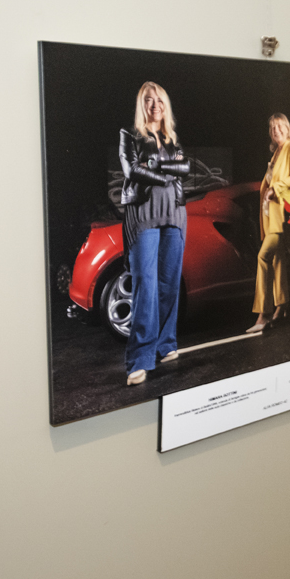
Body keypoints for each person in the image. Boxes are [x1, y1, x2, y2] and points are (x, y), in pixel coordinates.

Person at [118, 81, 189, 386]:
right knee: (146, 286)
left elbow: (185, 168)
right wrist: (166, 168)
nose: (155, 105)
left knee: (169, 284)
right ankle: (140, 358)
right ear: (142, 105)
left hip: (174, 213)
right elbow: (132, 170)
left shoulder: (171, 138)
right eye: (148, 100)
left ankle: (165, 344)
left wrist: (156, 165)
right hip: (144, 215)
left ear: (165, 106)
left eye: (159, 99)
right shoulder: (130, 136)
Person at [247, 113, 290, 333]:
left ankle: (264, 314)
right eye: (272, 127)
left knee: (263, 257)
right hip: (269, 217)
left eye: (280, 126)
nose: (276, 130)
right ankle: (283, 306)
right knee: (278, 262)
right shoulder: (275, 155)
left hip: (280, 217)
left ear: (287, 129)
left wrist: (275, 188)